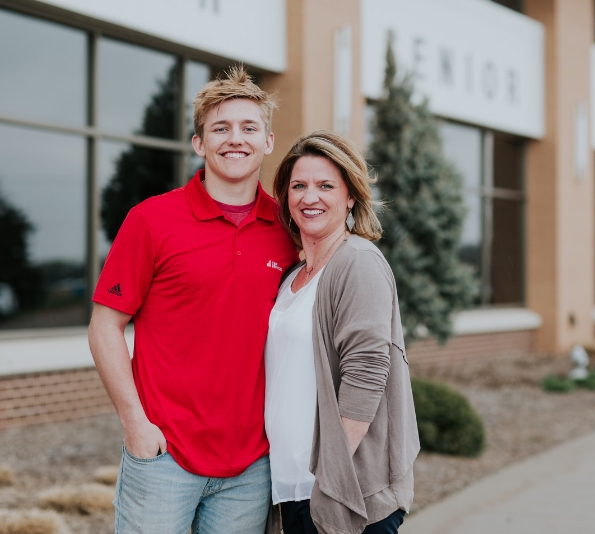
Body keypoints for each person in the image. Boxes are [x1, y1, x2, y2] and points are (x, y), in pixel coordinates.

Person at [88, 66, 298, 534]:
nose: (234, 139)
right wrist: (135, 425)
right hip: (163, 456)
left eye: (249, 127)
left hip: (250, 467)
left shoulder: (288, 231)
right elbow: (105, 326)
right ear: (198, 144)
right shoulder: (152, 220)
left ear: (268, 141)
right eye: (219, 128)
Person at [266, 131, 420, 534]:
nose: (309, 197)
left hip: (343, 493)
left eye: (325, 186)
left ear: (350, 196)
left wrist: (329, 481)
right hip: (293, 487)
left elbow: (367, 372)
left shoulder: (357, 261)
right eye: (298, 186)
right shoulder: (292, 278)